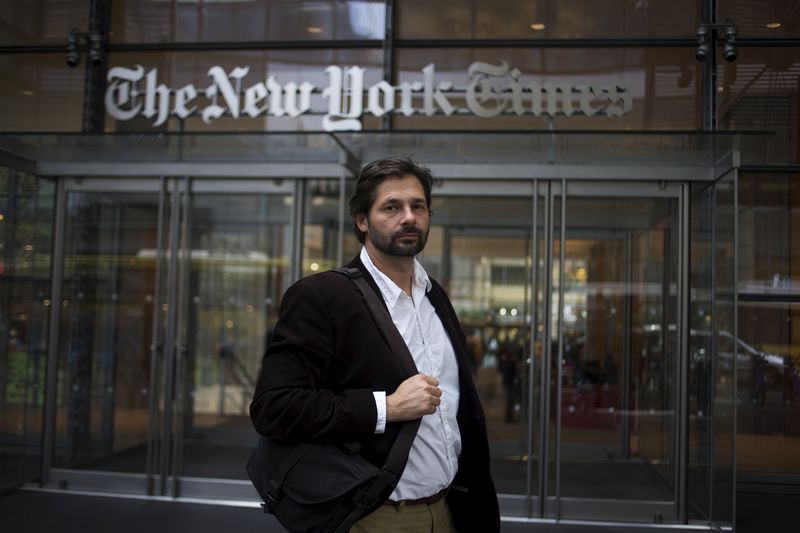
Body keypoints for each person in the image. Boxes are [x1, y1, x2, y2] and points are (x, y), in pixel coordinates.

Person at [250, 156, 500, 533]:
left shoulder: (436, 297)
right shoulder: (323, 297)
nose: (409, 217)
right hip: (372, 516)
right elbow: (275, 408)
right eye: (391, 207)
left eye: (418, 206)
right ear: (361, 220)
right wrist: (387, 407)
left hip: (450, 510)